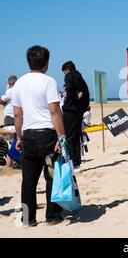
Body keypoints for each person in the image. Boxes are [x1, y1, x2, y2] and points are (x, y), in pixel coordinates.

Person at [12, 46, 65, 227]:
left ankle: (28, 218)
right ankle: (52, 216)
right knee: (51, 176)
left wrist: (19, 137)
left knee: (28, 180)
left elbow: (17, 115)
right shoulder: (49, 81)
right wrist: (62, 137)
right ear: (46, 63)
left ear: (29, 62)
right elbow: (54, 110)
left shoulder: (19, 83)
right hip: (48, 136)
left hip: (29, 136)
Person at [61, 61, 90, 171]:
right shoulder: (81, 79)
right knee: (76, 137)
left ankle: (73, 164)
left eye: (64, 72)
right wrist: (83, 107)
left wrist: (73, 96)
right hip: (79, 112)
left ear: (67, 70)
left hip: (70, 111)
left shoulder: (69, 76)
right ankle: (77, 163)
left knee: (69, 138)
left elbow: (70, 88)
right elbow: (87, 94)